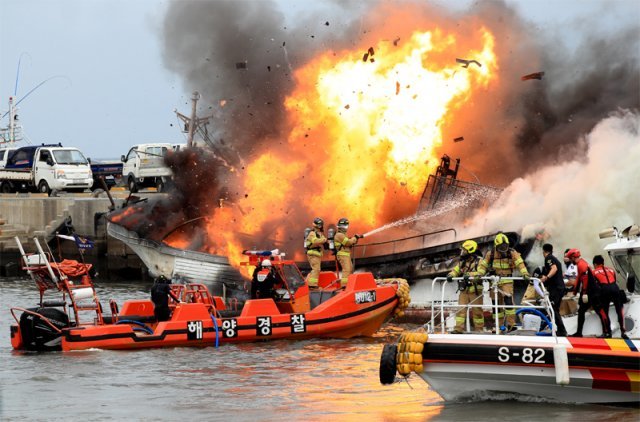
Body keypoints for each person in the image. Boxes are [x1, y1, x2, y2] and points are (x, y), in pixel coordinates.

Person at [477, 233, 530, 332]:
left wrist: (525, 274)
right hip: (494, 282)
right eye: (501, 246)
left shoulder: (512, 252)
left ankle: (511, 325)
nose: (504, 248)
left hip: (507, 281)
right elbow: (483, 266)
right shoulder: (491, 254)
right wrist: (479, 274)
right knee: (496, 305)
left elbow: (520, 263)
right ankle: (498, 326)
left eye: (505, 246)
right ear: (496, 246)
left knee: (509, 303)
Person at [566, 249, 608, 337]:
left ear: (573, 257)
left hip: (591, 292)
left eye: (570, 258)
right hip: (589, 291)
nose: (570, 261)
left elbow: (585, 279)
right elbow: (578, 278)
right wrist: (575, 292)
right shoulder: (581, 263)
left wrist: (584, 293)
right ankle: (579, 332)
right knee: (581, 311)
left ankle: (607, 332)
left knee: (599, 311)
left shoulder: (581, 264)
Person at [447, 240, 484, 334]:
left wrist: (470, 274)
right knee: (461, 310)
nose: (462, 252)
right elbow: (456, 270)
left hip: (476, 291)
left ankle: (479, 330)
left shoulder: (479, 261)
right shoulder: (462, 262)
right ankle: (458, 329)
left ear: (470, 251)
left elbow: (481, 272)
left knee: (477, 312)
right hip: (464, 291)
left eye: (464, 251)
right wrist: (451, 275)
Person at [592, 255, 626, 338]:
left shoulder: (594, 272)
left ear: (595, 264)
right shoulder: (611, 270)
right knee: (619, 310)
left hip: (604, 290)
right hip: (615, 288)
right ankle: (623, 331)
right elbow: (613, 279)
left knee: (604, 311)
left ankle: (607, 332)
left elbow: (594, 285)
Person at [538, 244, 568, 336]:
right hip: (559, 288)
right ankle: (560, 329)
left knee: (552, 309)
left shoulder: (548, 258)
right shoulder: (555, 259)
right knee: (555, 309)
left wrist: (546, 277)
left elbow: (554, 269)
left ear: (544, 251)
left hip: (556, 288)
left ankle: (562, 331)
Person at [333, 218, 362, 287]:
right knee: (347, 269)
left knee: (350, 269)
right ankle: (344, 286)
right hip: (342, 254)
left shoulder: (343, 235)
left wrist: (356, 239)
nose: (346, 227)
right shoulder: (339, 235)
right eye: (345, 225)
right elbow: (348, 243)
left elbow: (349, 242)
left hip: (346, 255)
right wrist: (355, 237)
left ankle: (350, 284)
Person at [305, 217, 327, 288]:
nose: (320, 226)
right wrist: (324, 240)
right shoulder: (312, 233)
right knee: (316, 269)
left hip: (316, 254)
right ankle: (312, 285)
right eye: (319, 225)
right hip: (312, 254)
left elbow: (324, 240)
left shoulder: (319, 234)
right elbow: (315, 241)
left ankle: (310, 284)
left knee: (316, 269)